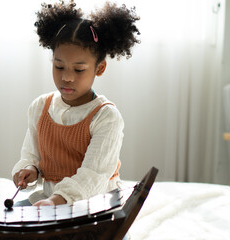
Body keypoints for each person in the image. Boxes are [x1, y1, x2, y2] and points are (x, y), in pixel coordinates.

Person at [11, 0, 140, 207]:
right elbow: (32, 154)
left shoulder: (106, 117)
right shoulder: (40, 107)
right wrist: (30, 169)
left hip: (94, 203)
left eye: (79, 70)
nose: (67, 77)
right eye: (59, 66)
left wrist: (57, 200)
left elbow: (93, 175)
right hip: (51, 200)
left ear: (100, 68)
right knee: (11, 221)